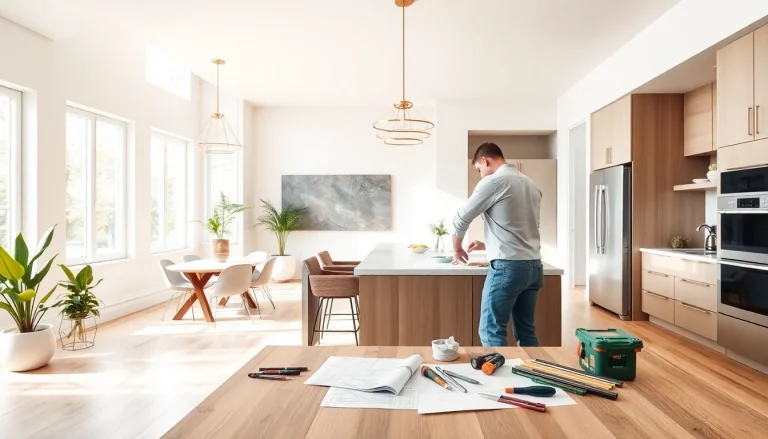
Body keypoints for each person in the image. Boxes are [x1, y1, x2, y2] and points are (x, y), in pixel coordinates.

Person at [452, 142, 543, 347]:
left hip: (508, 268)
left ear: (485, 160)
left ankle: (500, 369)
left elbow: (461, 218)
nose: (481, 175)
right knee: (526, 331)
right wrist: (487, 245)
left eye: (479, 169)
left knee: (490, 330)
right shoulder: (531, 184)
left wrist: (457, 249)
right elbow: (523, 228)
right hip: (534, 267)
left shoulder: (493, 182)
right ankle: (532, 368)